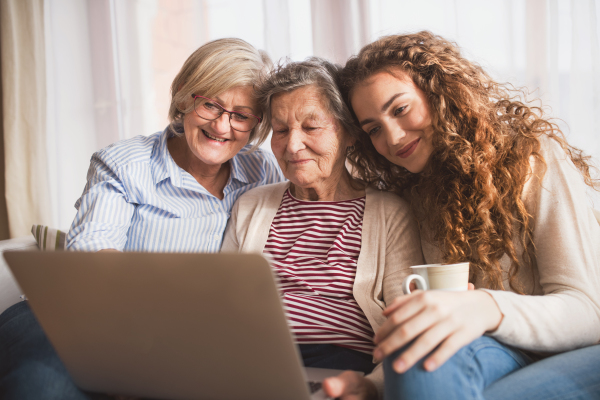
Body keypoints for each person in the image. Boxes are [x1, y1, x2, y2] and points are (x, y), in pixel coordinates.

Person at [0, 38, 285, 399]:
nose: (222, 126)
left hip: (179, 338)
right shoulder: (124, 163)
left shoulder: (264, 171)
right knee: (44, 386)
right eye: (211, 104)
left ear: (256, 123)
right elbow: (90, 255)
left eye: (241, 115)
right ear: (184, 95)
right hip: (65, 317)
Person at [336, 31, 600, 399]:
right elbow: (426, 326)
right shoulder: (409, 195)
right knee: (417, 353)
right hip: (496, 353)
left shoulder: (534, 158)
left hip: (579, 351)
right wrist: (372, 386)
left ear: (440, 95)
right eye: (374, 130)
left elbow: (589, 311)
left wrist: (486, 307)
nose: (393, 138)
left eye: (400, 109)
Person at [221, 57, 424, 399]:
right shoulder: (252, 206)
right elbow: (221, 307)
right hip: (253, 364)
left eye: (311, 127)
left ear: (348, 133)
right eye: (281, 130)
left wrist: (373, 386)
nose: (292, 145)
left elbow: (406, 326)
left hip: (342, 368)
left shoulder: (389, 213)